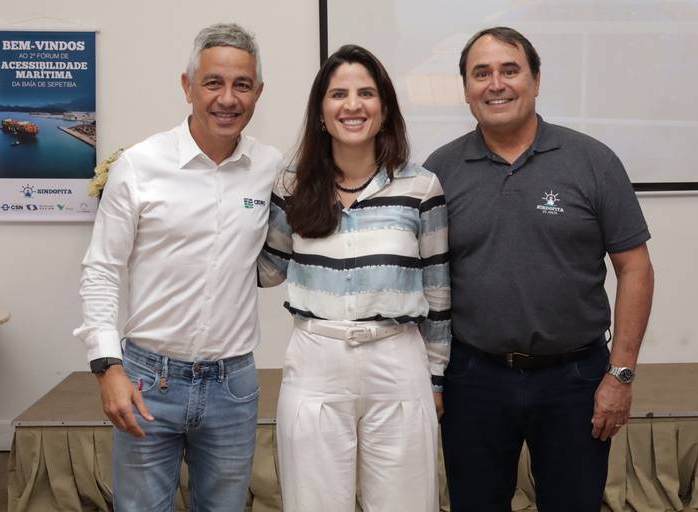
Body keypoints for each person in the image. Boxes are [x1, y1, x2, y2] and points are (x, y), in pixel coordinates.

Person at [423, 27, 655, 511]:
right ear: (465, 89)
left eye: (510, 70)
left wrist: (621, 375)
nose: (496, 84)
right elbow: (425, 282)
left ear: (536, 80)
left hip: (575, 379)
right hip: (473, 379)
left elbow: (635, 269)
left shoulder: (593, 161)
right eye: (481, 73)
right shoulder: (439, 172)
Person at [73, 23, 281, 511]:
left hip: (233, 385)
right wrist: (107, 366)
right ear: (187, 87)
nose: (227, 98)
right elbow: (102, 268)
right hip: (147, 381)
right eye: (213, 83)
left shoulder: (270, 167)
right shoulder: (139, 165)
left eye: (242, 85)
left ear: (258, 93)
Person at [259, 44, 450, 511]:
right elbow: (268, 271)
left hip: (398, 360)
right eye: (338, 94)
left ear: (384, 109)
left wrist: (436, 378)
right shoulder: (290, 184)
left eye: (366, 93)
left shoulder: (421, 186)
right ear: (321, 112)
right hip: (316, 359)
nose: (352, 105)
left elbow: (437, 290)